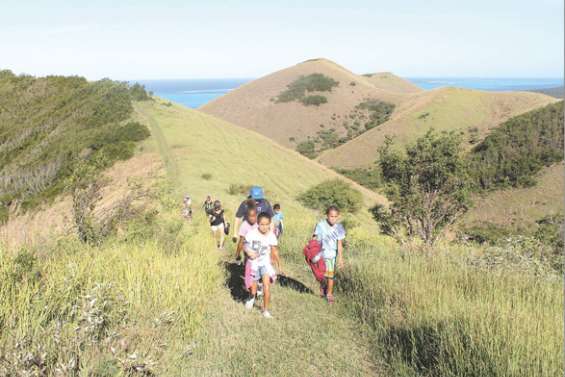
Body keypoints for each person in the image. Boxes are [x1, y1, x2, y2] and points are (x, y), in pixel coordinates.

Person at [243, 212, 282, 318]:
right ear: (258, 223)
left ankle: (265, 310)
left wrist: (279, 264)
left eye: (266, 224)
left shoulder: (271, 236)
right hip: (254, 264)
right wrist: (249, 252)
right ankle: (252, 297)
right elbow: (245, 244)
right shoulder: (252, 234)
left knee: (266, 286)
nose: (264, 227)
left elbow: (274, 250)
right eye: (262, 224)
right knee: (253, 288)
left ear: (270, 224)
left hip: (265, 264)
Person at [313, 205, 345, 304]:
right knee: (322, 276)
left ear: (338, 216)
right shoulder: (320, 225)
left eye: (335, 217)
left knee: (330, 276)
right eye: (331, 216)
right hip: (321, 255)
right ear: (327, 215)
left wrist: (340, 258)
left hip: (331, 256)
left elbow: (339, 244)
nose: (333, 219)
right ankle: (323, 288)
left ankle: (329, 294)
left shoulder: (339, 227)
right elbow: (314, 239)